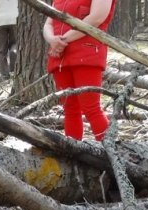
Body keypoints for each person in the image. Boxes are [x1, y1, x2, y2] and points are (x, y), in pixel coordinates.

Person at [43, 0, 116, 141]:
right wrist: (52, 40)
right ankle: (73, 156)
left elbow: (96, 18)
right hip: (60, 56)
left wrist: (62, 40)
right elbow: (48, 23)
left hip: (87, 55)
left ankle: (114, 155)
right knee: (70, 109)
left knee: (92, 108)